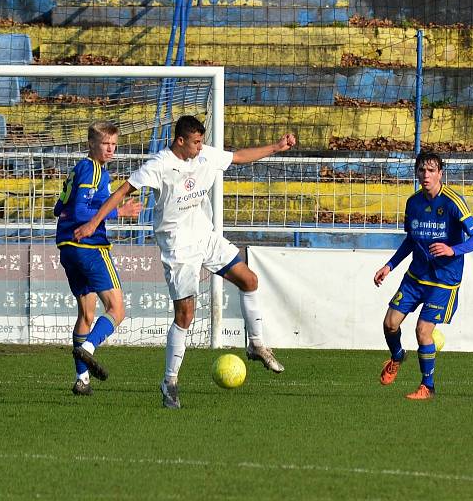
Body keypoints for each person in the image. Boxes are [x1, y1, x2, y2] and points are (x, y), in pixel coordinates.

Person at [75, 115, 296, 409]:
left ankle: (256, 345)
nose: (200, 147)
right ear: (180, 141)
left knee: (249, 280)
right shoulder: (160, 164)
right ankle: (169, 382)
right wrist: (93, 223)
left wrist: (276, 147)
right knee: (185, 315)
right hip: (178, 247)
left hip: (205, 237)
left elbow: (240, 157)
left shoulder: (205, 155)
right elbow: (123, 191)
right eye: (195, 142)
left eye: (201, 141)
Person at [374, 151, 473, 400]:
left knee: (423, 330)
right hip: (416, 276)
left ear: (440, 173)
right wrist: (389, 266)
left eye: (431, 170)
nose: (426, 175)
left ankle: (428, 387)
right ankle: (398, 356)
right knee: (390, 324)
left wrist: (452, 249)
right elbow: (411, 240)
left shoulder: (452, 202)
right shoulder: (413, 203)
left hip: (444, 280)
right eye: (422, 170)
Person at [54, 121, 142, 396]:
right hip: (89, 246)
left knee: (86, 313)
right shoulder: (93, 169)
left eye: (114, 144)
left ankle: (82, 379)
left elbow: (59, 208)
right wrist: (120, 212)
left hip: (67, 248)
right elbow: (81, 212)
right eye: (106, 144)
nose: (111, 149)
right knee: (117, 309)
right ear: (91, 144)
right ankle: (89, 348)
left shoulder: (80, 169)